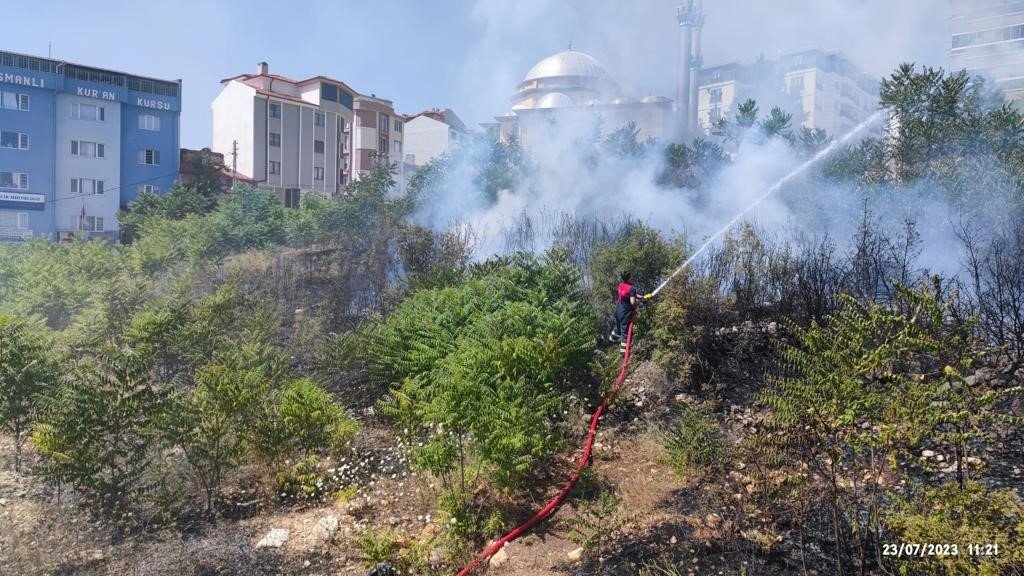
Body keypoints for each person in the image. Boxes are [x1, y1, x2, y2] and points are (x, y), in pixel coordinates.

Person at [609, 271, 651, 348]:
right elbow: (632, 302)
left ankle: (612, 340)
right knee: (625, 335)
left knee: (619, 326)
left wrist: (642, 297)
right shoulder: (632, 288)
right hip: (625, 313)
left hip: (618, 311)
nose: (633, 277)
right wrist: (636, 307)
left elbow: (628, 294)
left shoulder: (621, 285)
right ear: (629, 278)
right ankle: (624, 355)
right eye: (631, 276)